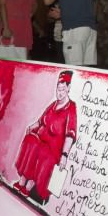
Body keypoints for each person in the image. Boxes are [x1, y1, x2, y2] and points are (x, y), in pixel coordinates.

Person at [13, 70, 77, 205]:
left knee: (42, 152)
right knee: (30, 140)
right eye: (58, 89)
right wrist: (32, 127)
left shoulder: (70, 108)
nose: (59, 93)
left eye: (62, 90)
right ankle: (22, 181)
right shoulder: (53, 105)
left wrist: (64, 155)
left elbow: (70, 134)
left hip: (53, 148)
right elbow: (41, 121)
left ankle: (29, 186)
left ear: (68, 88)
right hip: (40, 140)